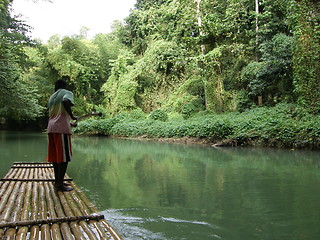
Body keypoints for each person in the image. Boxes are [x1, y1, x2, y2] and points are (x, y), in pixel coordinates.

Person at [47, 79, 77, 191]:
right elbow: (65, 101)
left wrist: (69, 123)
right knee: (64, 158)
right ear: (64, 86)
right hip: (61, 130)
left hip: (51, 128)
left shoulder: (52, 97)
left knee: (56, 158)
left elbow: (56, 115)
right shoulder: (67, 93)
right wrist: (72, 116)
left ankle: (58, 182)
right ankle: (60, 185)